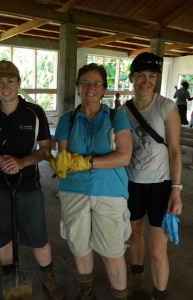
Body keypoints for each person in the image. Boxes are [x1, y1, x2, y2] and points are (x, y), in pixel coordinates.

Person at [0, 60, 63, 300]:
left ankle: (48, 276)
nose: (5, 87)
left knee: (37, 234)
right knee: (1, 232)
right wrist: (4, 161)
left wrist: (22, 162)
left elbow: (46, 148)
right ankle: (10, 276)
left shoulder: (35, 113)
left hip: (28, 183)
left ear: (19, 83)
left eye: (10, 81)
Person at [52, 63, 133, 300]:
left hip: (110, 191)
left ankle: (120, 296)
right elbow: (64, 157)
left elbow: (124, 156)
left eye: (97, 83)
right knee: (79, 246)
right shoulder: (67, 120)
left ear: (104, 89)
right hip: (73, 191)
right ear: (78, 87)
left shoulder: (117, 118)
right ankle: (86, 290)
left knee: (112, 250)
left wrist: (87, 163)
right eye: (85, 82)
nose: (91, 87)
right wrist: (59, 163)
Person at [116, 52, 183, 300]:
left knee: (157, 250)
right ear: (132, 78)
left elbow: (175, 151)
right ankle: (137, 280)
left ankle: (159, 295)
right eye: (141, 76)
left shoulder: (166, 107)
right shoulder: (122, 111)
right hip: (132, 183)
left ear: (156, 79)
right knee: (134, 235)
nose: (146, 81)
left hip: (161, 186)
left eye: (151, 76)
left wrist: (176, 190)